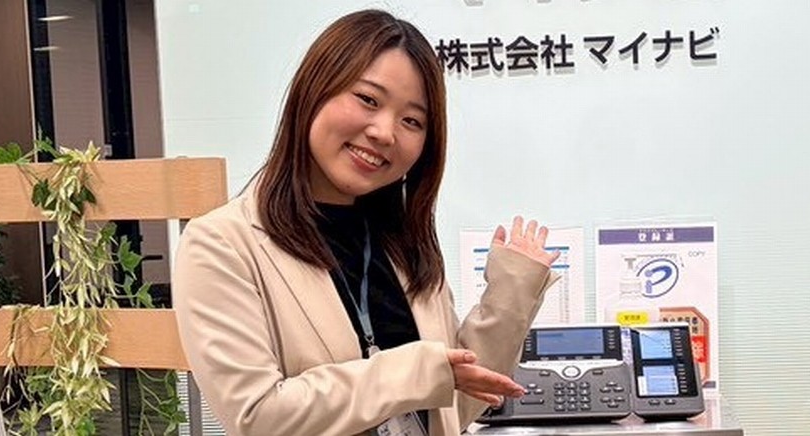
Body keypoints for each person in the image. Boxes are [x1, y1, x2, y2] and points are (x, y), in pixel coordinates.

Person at [173, 9, 560, 436]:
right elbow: (260, 416)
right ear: (313, 90)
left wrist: (511, 292)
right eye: (368, 100)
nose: (384, 132)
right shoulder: (222, 244)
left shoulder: (402, 243)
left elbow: (456, 404)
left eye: (412, 121)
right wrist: (417, 372)